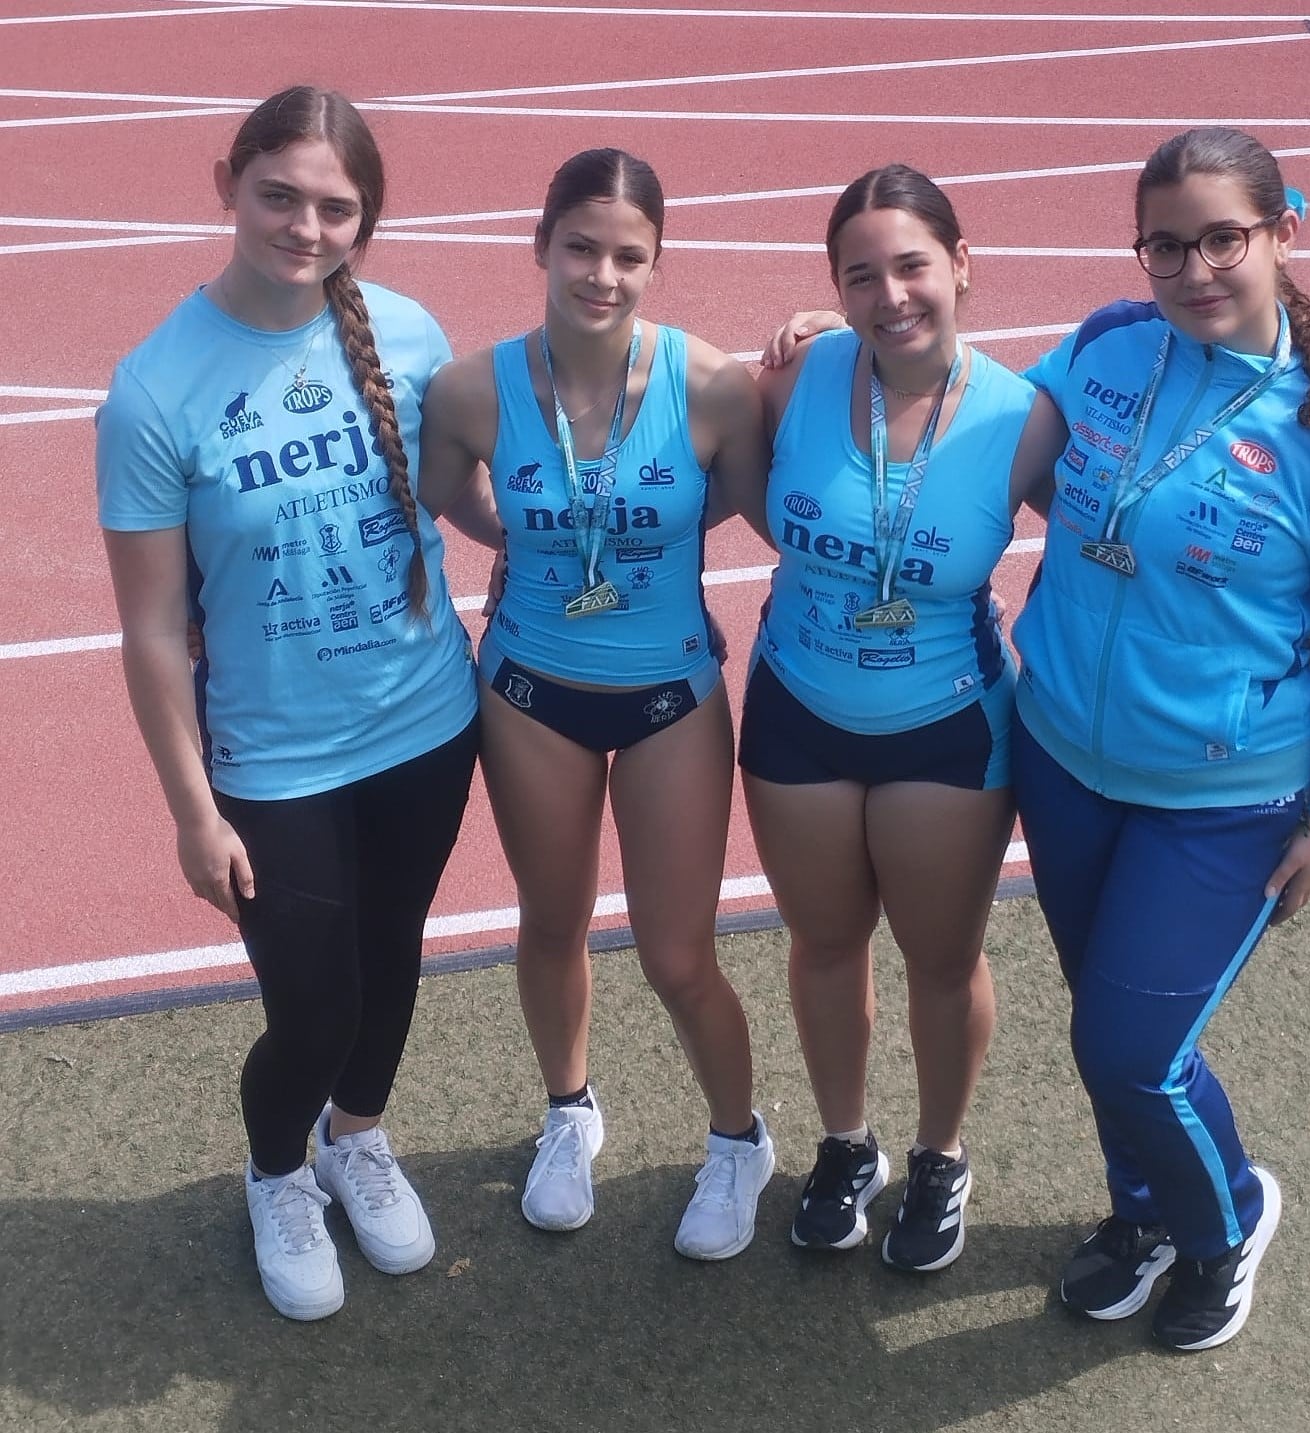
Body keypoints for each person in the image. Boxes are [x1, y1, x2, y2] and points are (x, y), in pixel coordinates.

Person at [1007, 126, 1310, 1350]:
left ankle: (1224, 1216)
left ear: (1282, 232)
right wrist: (850, 350)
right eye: (1165, 244)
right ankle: (1139, 1213)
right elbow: (999, 443)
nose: (1192, 269)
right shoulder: (1104, 346)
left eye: (1221, 238)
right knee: (1109, 1027)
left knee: (1131, 1045)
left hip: (1222, 797)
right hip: (1066, 759)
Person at [96, 87, 498, 1321]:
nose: (306, 225)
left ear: (367, 215)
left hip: (427, 724)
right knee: (313, 999)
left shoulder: (410, 333)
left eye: (336, 206)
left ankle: (355, 1136)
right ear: (226, 181)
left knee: (389, 963)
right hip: (274, 762)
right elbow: (155, 628)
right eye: (280, 194)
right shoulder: (155, 391)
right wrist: (189, 812)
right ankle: (279, 1169)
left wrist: (609, 520)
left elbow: (472, 505)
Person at [418, 148, 776, 1260]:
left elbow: (757, 503)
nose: (602, 275)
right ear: (540, 244)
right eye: (581, 246)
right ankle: (568, 1111)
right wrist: (527, 542)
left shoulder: (714, 385)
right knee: (552, 919)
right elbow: (447, 493)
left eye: (630, 256)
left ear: (657, 263)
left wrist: (818, 355)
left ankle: (737, 1140)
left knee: (678, 954)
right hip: (528, 689)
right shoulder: (472, 389)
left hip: (671, 694)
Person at [746, 164, 1062, 1272]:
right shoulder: (798, 373)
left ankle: (939, 1153)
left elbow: (1126, 556)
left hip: (944, 725)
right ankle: (847, 1142)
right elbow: (741, 487)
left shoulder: (1027, 418)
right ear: (835, 289)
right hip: (796, 708)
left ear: (963, 264)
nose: (890, 295)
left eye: (912, 264)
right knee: (824, 941)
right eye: (860, 274)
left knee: (940, 957)